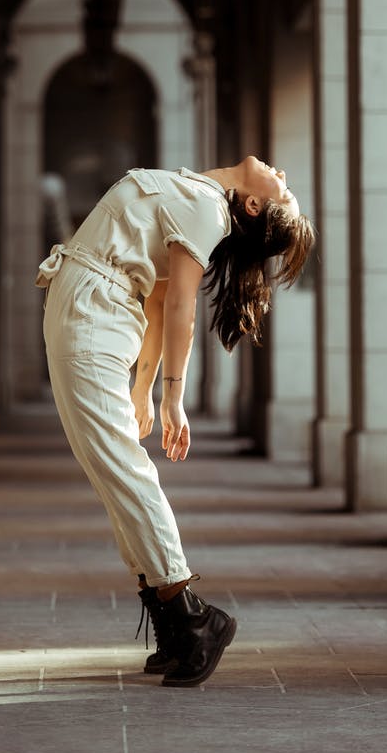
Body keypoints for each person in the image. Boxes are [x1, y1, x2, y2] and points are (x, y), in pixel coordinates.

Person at [35, 157, 315, 687]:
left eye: (285, 187)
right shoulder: (193, 191)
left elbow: (182, 303)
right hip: (89, 310)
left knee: (122, 471)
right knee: (111, 473)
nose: (282, 171)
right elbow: (160, 293)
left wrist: (171, 397)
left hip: (94, 318)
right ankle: (171, 620)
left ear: (253, 204)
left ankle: (192, 616)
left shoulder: (210, 210)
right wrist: (141, 387)